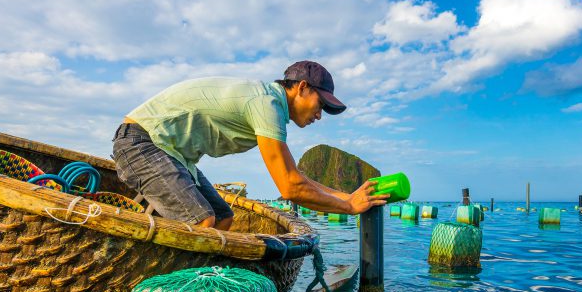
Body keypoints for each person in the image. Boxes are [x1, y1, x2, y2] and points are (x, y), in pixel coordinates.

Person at [113, 60, 386, 230]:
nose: (319, 115)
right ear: (302, 87)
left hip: (173, 155)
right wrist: (349, 208)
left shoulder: (269, 101)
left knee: (222, 218)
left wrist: (347, 196)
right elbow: (291, 187)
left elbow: (298, 178)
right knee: (202, 222)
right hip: (143, 143)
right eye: (321, 105)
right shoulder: (266, 105)